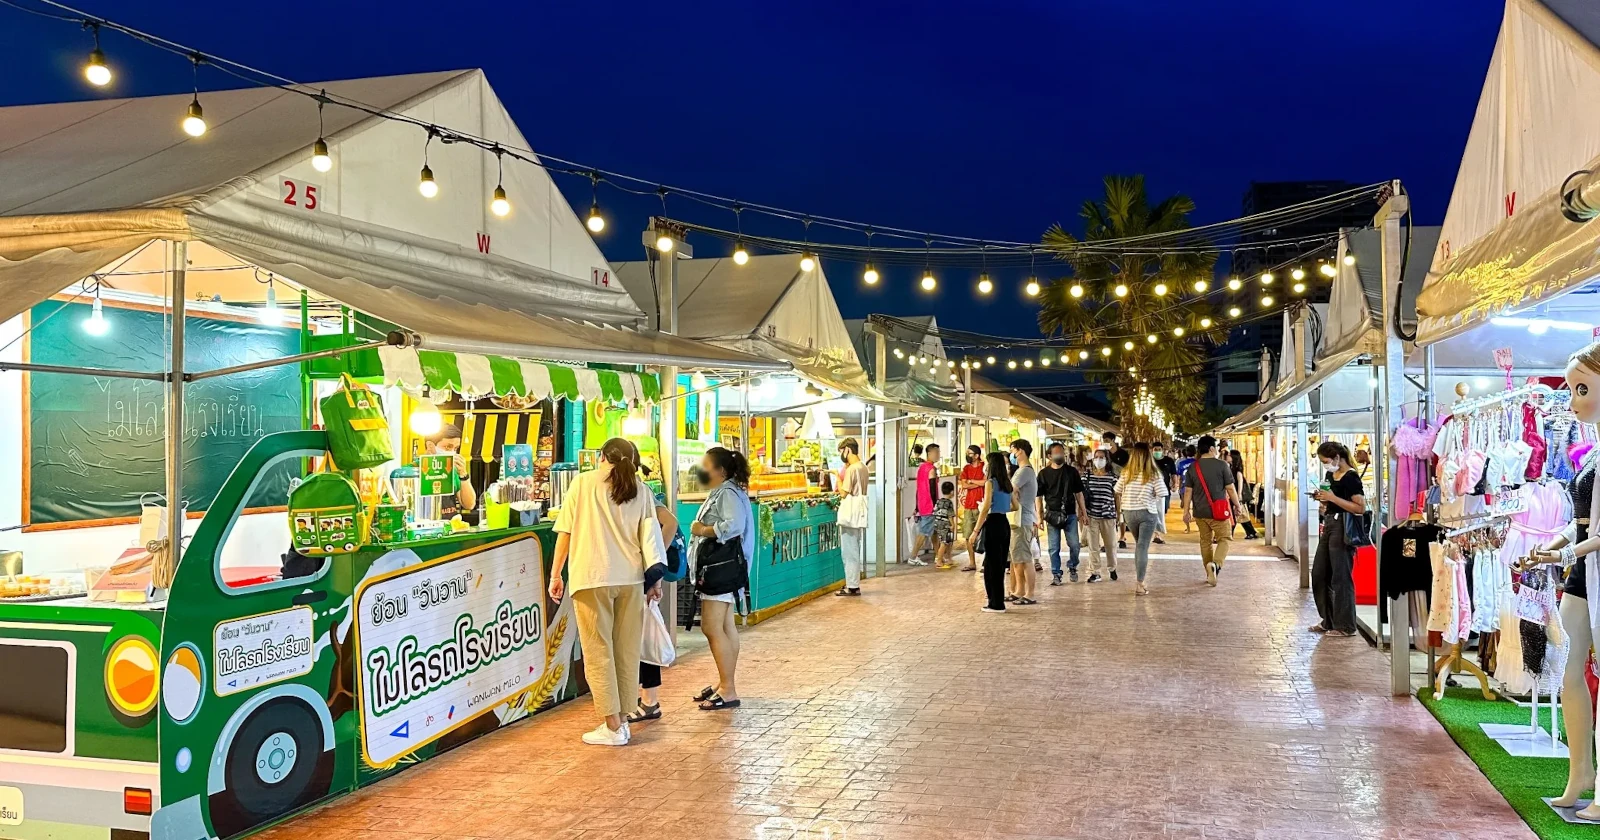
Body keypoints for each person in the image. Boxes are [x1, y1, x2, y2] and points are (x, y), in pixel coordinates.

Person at [549, 438, 669, 746]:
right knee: (626, 650)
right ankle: (624, 719)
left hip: (592, 578)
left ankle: (613, 727)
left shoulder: (582, 483)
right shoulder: (642, 490)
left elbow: (565, 531)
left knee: (598, 651)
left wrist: (555, 573)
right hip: (631, 579)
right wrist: (655, 581)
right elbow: (651, 539)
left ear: (601, 456)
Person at [689, 447, 756, 709]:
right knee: (726, 627)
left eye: (706, 466)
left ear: (721, 471)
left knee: (711, 627)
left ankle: (729, 688)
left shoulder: (727, 492)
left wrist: (704, 530)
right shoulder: (730, 490)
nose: (702, 471)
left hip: (720, 569)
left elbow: (734, 525)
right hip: (727, 569)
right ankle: (725, 681)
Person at [630, 480, 683, 725]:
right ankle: (643, 700)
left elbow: (671, 522)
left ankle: (649, 700)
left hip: (637, 574)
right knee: (640, 635)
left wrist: (654, 562)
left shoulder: (640, 490)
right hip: (632, 573)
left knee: (643, 636)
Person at [1310, 441, 1365, 637]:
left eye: (1326, 461)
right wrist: (1323, 500)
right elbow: (1330, 499)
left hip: (1343, 527)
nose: (1325, 464)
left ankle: (1346, 625)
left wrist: (1333, 499)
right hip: (1329, 524)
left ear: (1337, 458)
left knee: (1341, 576)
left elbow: (1360, 508)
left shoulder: (1351, 478)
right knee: (1319, 573)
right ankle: (1329, 620)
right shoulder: (1330, 475)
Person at [1181, 435, 1243, 587]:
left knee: (1205, 542)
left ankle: (1209, 572)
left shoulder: (1193, 467)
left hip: (1200, 512)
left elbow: (1188, 491)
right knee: (1225, 538)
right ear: (1211, 448)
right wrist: (1237, 504)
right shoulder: (1222, 465)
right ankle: (1215, 565)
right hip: (1218, 512)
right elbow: (1230, 488)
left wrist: (1186, 511)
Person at [1037, 441, 1086, 585]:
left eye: (1061, 452)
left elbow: (1079, 493)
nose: (1060, 455)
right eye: (1056, 452)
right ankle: (1056, 573)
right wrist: (1039, 516)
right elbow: (1038, 497)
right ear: (1049, 456)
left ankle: (1072, 566)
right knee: (1053, 547)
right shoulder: (1043, 474)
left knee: (1075, 545)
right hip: (1052, 515)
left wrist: (1083, 513)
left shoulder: (1071, 472)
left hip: (1070, 514)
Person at [970, 451, 1014, 612]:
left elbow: (987, 505)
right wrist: (1002, 507)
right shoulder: (1007, 483)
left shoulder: (990, 482)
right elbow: (1015, 506)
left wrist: (975, 531)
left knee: (991, 566)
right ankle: (997, 601)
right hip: (1004, 523)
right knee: (1000, 565)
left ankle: (995, 603)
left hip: (993, 524)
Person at [1117, 442, 1163, 596]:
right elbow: (1162, 492)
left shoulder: (1126, 472)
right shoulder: (1153, 473)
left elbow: (1116, 490)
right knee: (1143, 547)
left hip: (1129, 512)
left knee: (1139, 546)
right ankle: (1139, 583)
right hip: (1147, 512)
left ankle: (1139, 581)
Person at [1007, 440, 1040, 604]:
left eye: (1012, 450)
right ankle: (1019, 590)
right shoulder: (1023, 471)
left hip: (1022, 520)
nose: (1011, 454)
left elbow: (1010, 489)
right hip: (1019, 520)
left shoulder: (1024, 472)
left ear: (1021, 451)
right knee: (1017, 558)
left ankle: (1030, 593)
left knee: (1025, 558)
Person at [422, 423, 478, 518]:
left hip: (452, 525)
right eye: (448, 447)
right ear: (430, 446)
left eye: (455, 448)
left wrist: (463, 474)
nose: (452, 452)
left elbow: (469, 505)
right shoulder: (413, 471)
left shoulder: (453, 472)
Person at [835, 437, 868, 596]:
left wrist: (836, 476)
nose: (842, 455)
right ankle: (853, 584)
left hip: (850, 513)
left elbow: (843, 493)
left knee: (849, 551)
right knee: (855, 547)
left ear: (848, 449)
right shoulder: (863, 467)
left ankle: (852, 586)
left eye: (842, 451)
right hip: (859, 512)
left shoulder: (852, 469)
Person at [1081, 450, 1119, 582]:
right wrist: (1082, 513)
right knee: (1093, 545)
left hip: (1108, 515)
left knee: (1110, 544)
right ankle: (1095, 571)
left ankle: (1112, 568)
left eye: (1101, 457)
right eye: (1096, 457)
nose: (1098, 460)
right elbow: (1080, 495)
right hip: (1092, 515)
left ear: (1107, 460)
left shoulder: (1113, 477)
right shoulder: (1087, 476)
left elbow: (1117, 497)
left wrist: (1118, 514)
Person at [909, 443, 941, 565]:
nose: (938, 455)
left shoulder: (921, 468)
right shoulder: (931, 469)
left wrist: (917, 506)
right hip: (929, 505)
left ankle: (939, 556)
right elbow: (932, 489)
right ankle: (913, 556)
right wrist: (935, 505)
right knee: (924, 532)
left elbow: (918, 489)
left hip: (923, 504)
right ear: (930, 453)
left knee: (934, 531)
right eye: (937, 452)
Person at [957, 444, 986, 571]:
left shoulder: (985, 467)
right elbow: (964, 485)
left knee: (986, 534)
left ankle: (986, 563)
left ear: (977, 455)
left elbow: (985, 482)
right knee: (968, 535)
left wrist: (971, 481)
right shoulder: (966, 468)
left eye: (970, 453)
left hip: (982, 505)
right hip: (969, 505)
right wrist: (976, 483)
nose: (967, 456)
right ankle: (972, 562)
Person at [1228, 449, 1260, 540]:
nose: (1228, 456)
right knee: (1241, 515)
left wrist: (1239, 495)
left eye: (1229, 455)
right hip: (1233, 494)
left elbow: (1240, 482)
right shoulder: (1231, 468)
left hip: (1236, 495)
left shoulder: (1237, 470)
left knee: (1236, 515)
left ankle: (1230, 534)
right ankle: (1251, 532)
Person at [1151, 441, 1177, 545]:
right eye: (1155, 450)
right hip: (1151, 491)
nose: (1157, 451)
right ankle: (1156, 534)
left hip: (1165, 491)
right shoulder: (1149, 461)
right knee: (1155, 512)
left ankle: (1157, 531)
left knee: (1163, 510)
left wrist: (1175, 484)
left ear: (1162, 450)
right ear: (1152, 451)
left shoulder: (1169, 461)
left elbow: (1173, 474)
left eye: (1159, 450)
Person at [932, 481, 958, 569]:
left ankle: (948, 559)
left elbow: (935, 511)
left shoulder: (938, 501)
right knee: (944, 542)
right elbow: (950, 515)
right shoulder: (949, 503)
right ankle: (939, 560)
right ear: (952, 492)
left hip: (937, 523)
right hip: (946, 525)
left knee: (946, 542)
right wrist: (953, 524)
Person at [1175, 444, 1198, 532]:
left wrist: (1179, 488)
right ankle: (1199, 525)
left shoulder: (1181, 463)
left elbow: (1180, 477)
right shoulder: (1197, 462)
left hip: (1185, 488)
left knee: (1186, 509)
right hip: (1197, 488)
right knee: (1197, 508)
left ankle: (1188, 528)